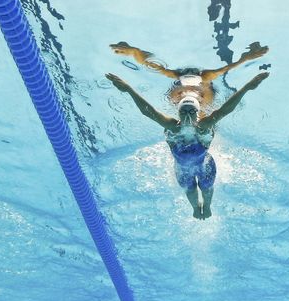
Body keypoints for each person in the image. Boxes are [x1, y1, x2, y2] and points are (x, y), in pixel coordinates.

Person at [106, 67, 269, 220]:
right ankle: (195, 208)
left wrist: (247, 87)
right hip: (182, 169)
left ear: (198, 113)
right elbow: (149, 112)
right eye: (184, 111)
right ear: (178, 112)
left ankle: (207, 206)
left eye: (192, 111)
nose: (188, 114)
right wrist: (128, 89)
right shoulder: (172, 127)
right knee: (190, 190)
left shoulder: (203, 127)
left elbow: (225, 110)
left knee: (206, 188)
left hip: (205, 165)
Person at [110, 41, 269, 106]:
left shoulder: (181, 84)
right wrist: (245, 58)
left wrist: (135, 53)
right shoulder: (205, 79)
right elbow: (224, 70)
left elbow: (154, 68)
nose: (191, 91)